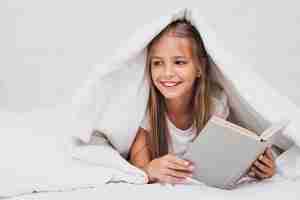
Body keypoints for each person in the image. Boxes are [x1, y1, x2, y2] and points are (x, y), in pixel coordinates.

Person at [128, 18, 276, 184]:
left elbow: (224, 159)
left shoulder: (215, 104)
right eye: (157, 63)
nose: (167, 72)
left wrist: (258, 167)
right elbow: (138, 166)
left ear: (199, 67)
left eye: (179, 62)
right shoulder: (146, 107)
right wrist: (151, 169)